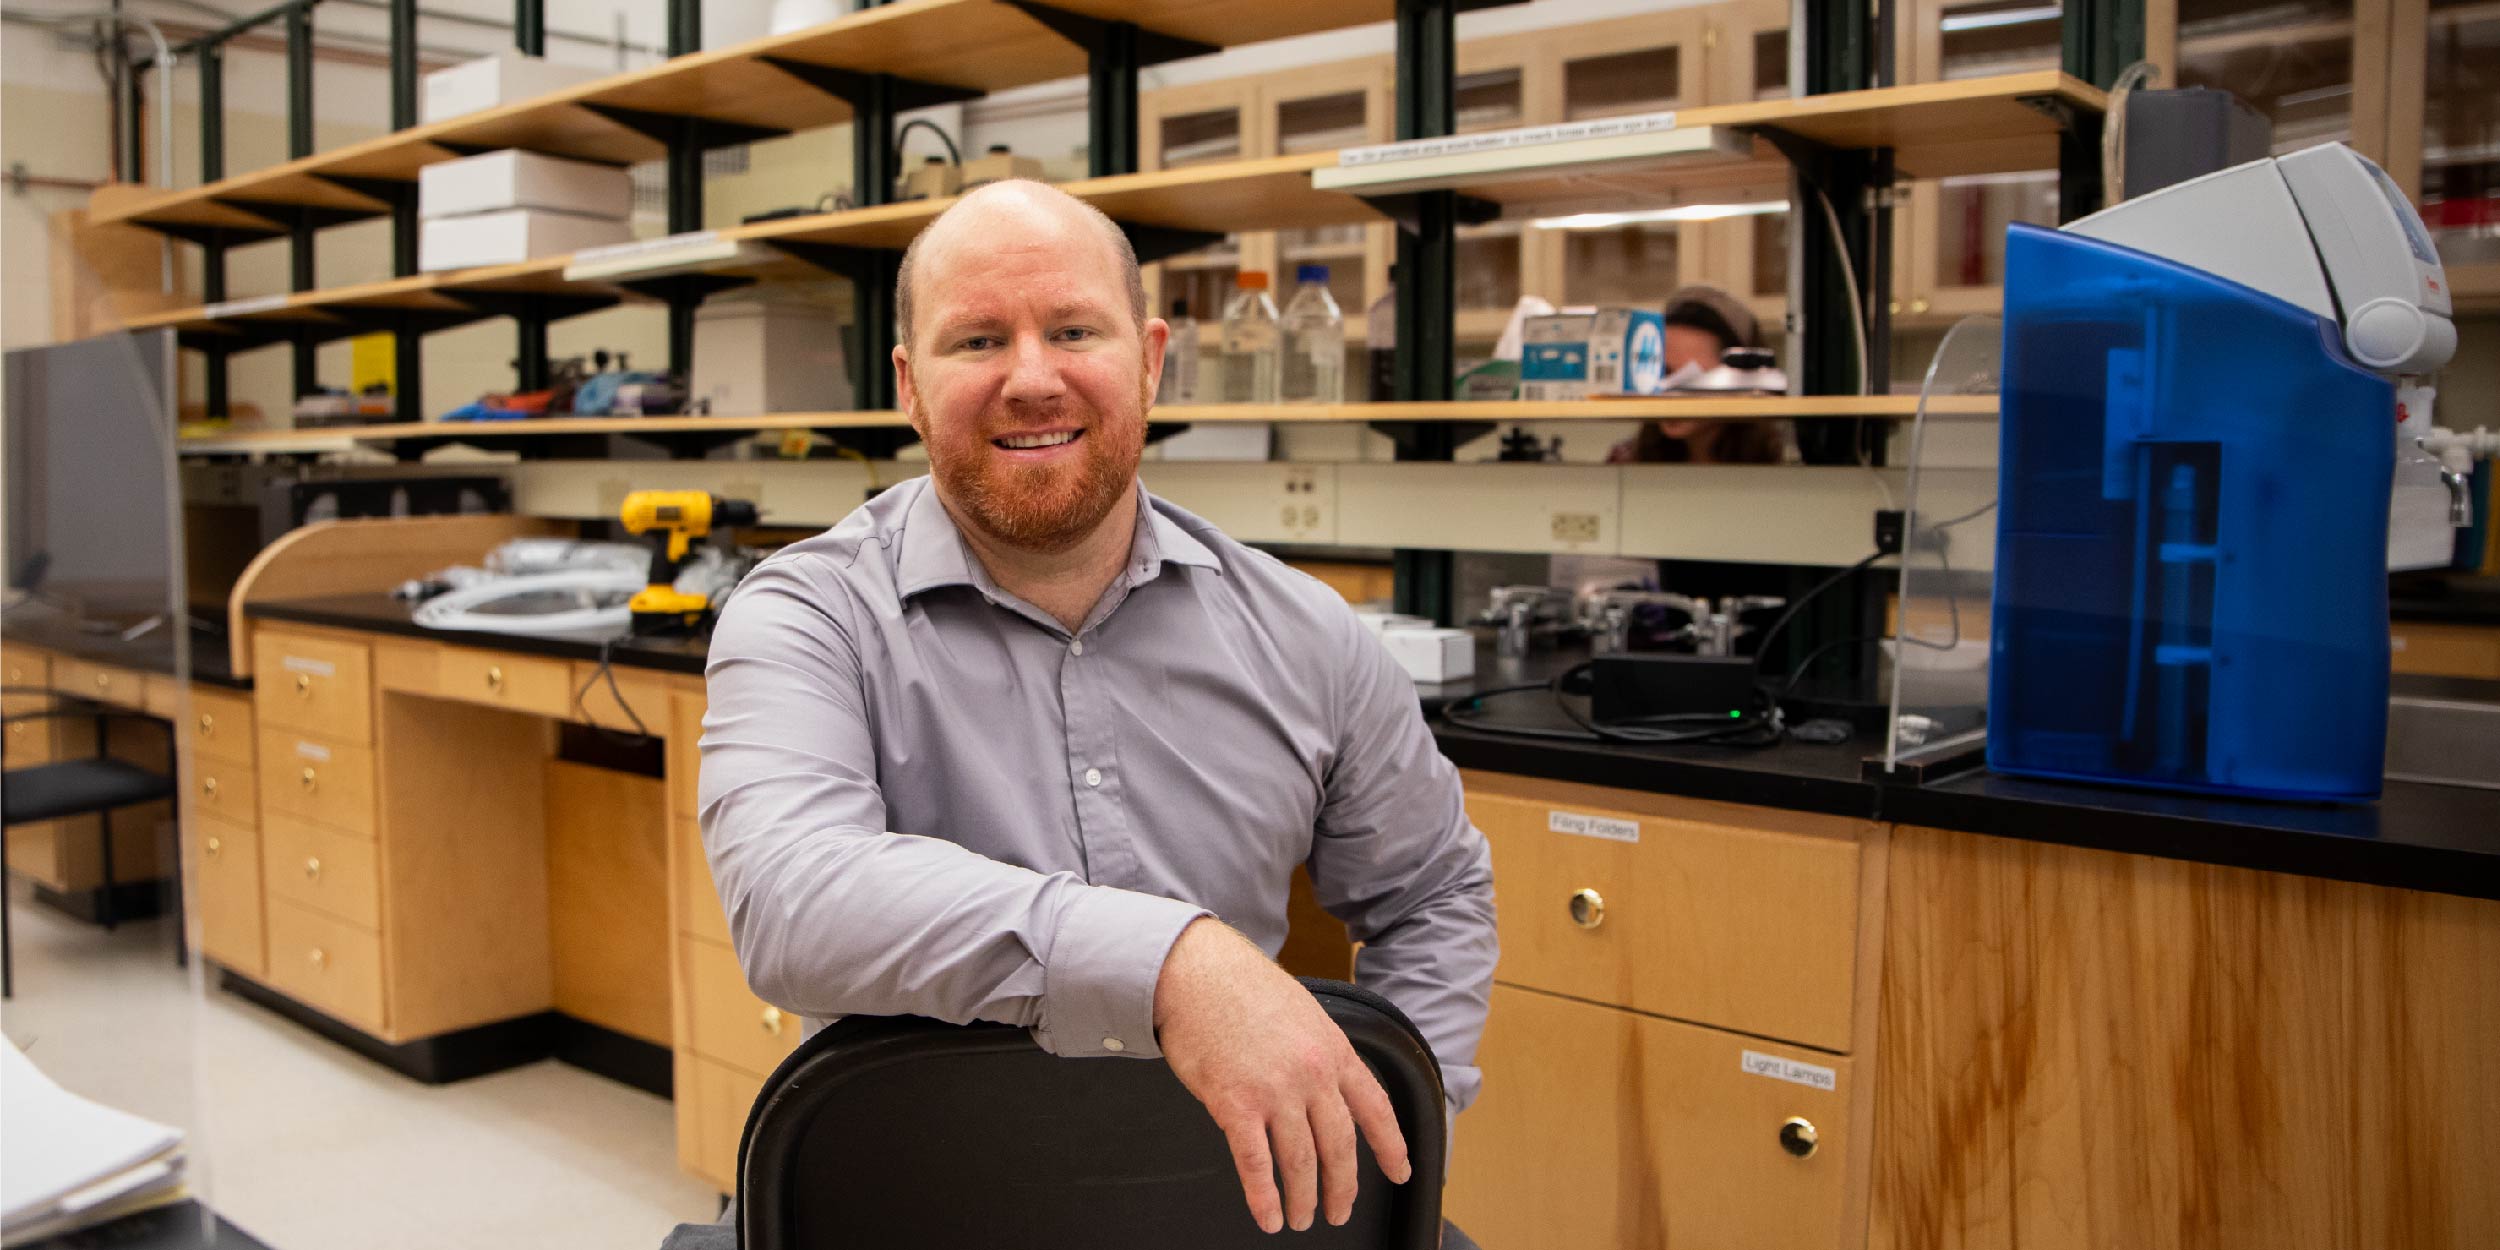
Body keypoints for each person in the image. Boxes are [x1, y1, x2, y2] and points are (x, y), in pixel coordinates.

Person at [693, 179, 1498, 1240]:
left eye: (1074, 329)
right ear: (909, 384)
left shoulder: (1305, 631)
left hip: (1231, 1199)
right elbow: (791, 895)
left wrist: (1386, 1112)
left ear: (1151, 359)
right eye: (977, 339)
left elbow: (1433, 891)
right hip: (926, 1199)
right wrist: (1172, 960)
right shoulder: (808, 614)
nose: (1032, 378)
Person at [1606, 284, 1789, 464]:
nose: (1670, 393)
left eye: (1692, 378)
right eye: (1664, 372)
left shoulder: (1782, 464)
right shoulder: (1626, 463)